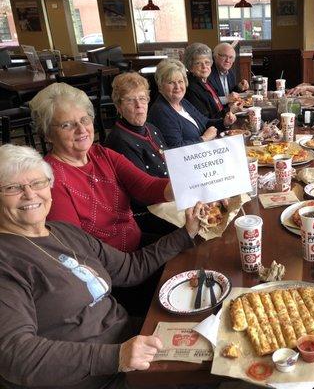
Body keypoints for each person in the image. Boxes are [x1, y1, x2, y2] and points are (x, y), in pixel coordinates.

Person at [0, 144, 204, 389]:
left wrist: (186, 233)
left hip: (132, 340)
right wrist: (116, 357)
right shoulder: (6, 260)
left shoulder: (64, 232)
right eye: (12, 188)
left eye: (38, 183)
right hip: (99, 377)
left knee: (220, 340)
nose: (30, 194)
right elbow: (14, 355)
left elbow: (130, 268)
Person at [29, 82, 173, 253]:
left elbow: (146, 186)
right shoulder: (50, 180)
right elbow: (77, 249)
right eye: (67, 125)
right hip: (109, 267)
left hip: (136, 243)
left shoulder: (102, 154)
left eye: (84, 120)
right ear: (47, 135)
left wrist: (187, 184)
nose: (81, 129)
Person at [104, 72, 176, 236]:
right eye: (130, 100)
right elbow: (141, 195)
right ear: (118, 107)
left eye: (142, 98)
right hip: (150, 211)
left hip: (170, 195)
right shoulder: (119, 140)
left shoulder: (151, 128)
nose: (139, 105)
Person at [147, 59, 235, 148]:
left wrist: (224, 122)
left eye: (180, 81)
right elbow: (175, 148)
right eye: (171, 82)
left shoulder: (182, 102)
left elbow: (205, 122)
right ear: (160, 86)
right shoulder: (161, 111)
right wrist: (203, 139)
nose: (177, 87)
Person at [183, 42, 239, 121]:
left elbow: (216, 108)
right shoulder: (191, 88)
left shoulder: (205, 82)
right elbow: (207, 119)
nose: (204, 67)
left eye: (207, 62)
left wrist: (230, 108)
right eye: (198, 63)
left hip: (222, 123)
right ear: (190, 66)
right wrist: (230, 110)